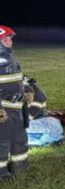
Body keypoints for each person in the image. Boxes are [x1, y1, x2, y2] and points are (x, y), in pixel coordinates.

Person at [0, 26, 29, 179]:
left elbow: (18, 79)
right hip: (4, 111)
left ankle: (20, 169)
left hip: (17, 109)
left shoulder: (10, 60)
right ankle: (2, 174)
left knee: (20, 140)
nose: (10, 41)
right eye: (6, 39)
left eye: (10, 38)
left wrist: (28, 88)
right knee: (2, 142)